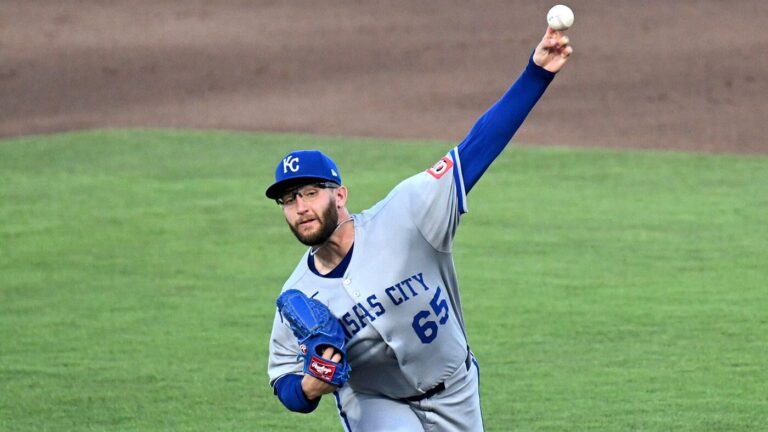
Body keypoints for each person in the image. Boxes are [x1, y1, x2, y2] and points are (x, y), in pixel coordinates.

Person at [266, 27, 572, 431]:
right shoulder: (299, 293)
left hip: (456, 388)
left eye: (310, 193)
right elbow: (282, 377)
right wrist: (309, 385)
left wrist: (537, 74)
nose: (301, 208)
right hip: (375, 402)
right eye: (289, 200)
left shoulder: (407, 213)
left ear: (340, 195)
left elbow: (477, 148)